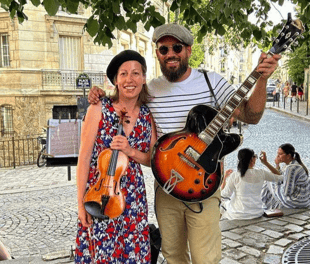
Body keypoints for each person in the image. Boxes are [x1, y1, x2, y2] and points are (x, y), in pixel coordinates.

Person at [88, 23, 280, 263]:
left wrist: (261, 80)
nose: (170, 54)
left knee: (205, 258)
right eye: (163, 49)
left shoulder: (211, 82)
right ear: (157, 53)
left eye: (176, 47)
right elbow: (124, 97)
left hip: (204, 184)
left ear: (188, 50)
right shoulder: (151, 89)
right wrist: (98, 94)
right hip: (166, 186)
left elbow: (251, 115)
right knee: (173, 255)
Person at [75, 50, 157, 263]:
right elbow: (83, 158)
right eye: (123, 74)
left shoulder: (148, 115)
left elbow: (153, 159)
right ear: (115, 81)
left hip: (133, 199)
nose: (130, 79)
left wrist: (131, 152)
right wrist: (79, 205)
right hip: (100, 196)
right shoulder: (98, 109)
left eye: (136, 73)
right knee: (103, 254)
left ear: (144, 78)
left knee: (133, 255)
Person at [220, 148, 283, 220]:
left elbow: (224, 195)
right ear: (252, 159)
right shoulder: (261, 173)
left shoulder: (235, 175)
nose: (256, 158)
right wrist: (266, 163)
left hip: (238, 214)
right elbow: (280, 177)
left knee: (222, 202)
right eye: (255, 156)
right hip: (257, 212)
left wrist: (224, 179)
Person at [260, 143, 310, 209]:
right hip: (305, 200)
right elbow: (280, 176)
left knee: (269, 180)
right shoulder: (293, 164)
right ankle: (268, 205)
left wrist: (266, 163)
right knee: (272, 179)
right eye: (277, 154)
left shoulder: (290, 168)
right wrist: (277, 165)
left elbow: (286, 192)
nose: (277, 156)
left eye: (280, 154)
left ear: (288, 156)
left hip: (297, 201)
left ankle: (265, 204)